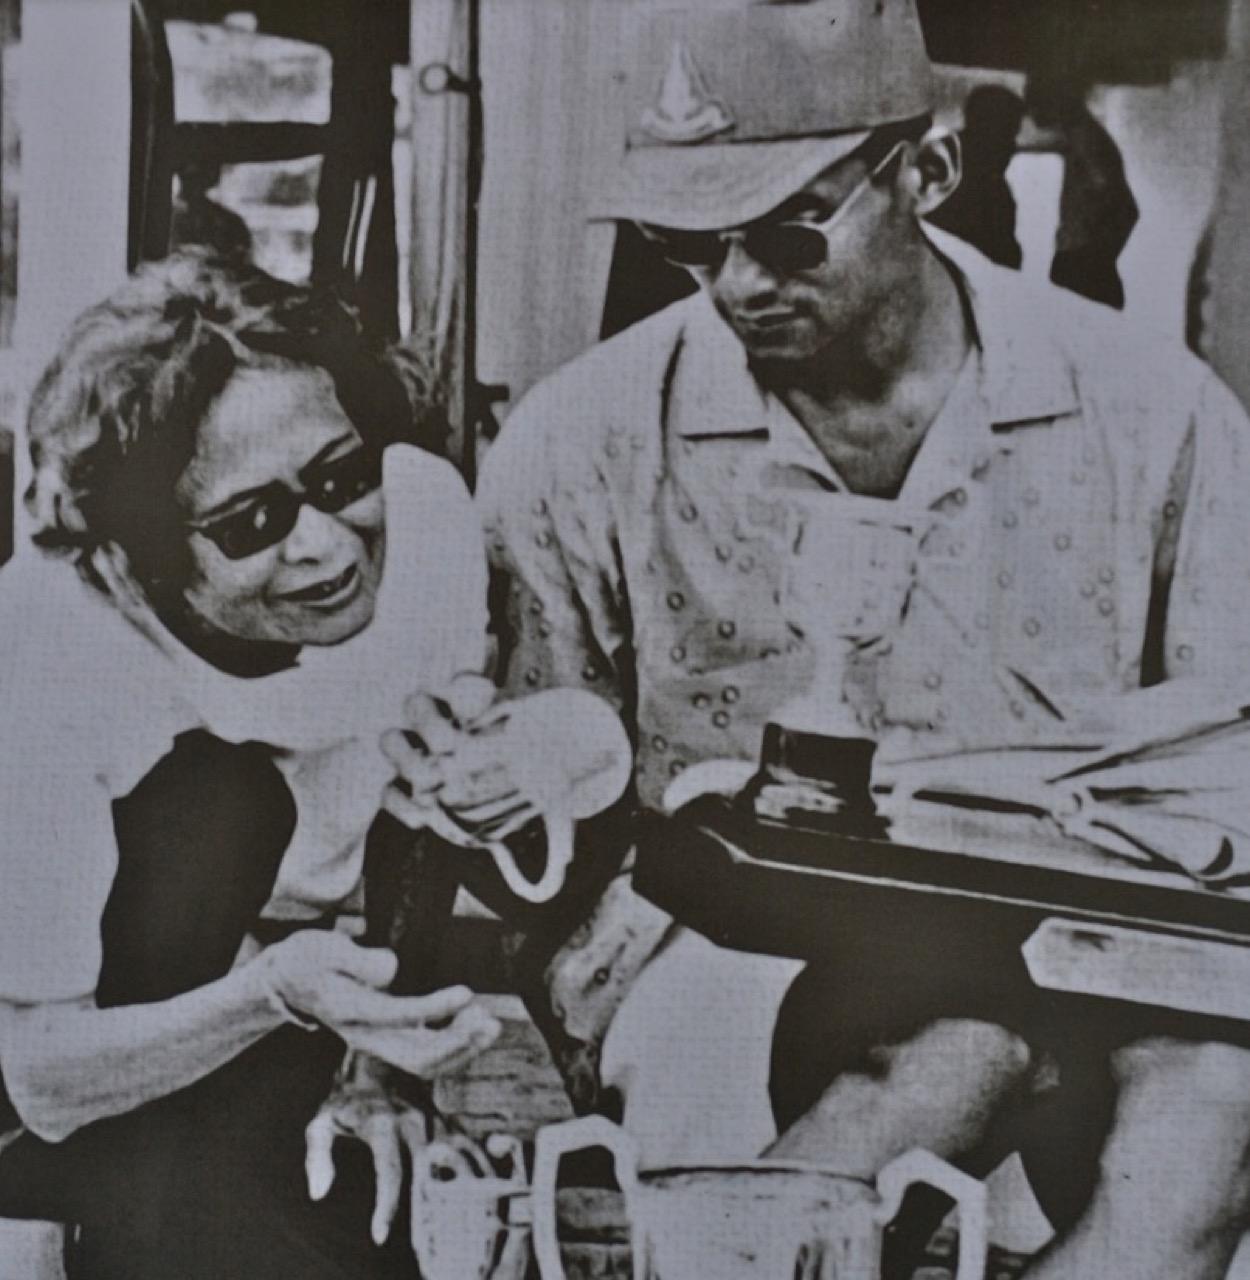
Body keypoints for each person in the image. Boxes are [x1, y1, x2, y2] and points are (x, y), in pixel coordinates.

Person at [477, 3, 1250, 1277]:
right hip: (728, 944)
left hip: (1090, 938)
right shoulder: (583, 439)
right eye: (689, 243)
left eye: (788, 231)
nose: (737, 284)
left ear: (926, 172)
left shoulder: (1151, 417)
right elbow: (532, 817)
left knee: (1208, 1109)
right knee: (940, 1052)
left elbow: (1227, 761)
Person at [0, 253, 609, 1279]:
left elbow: (414, 818)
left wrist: (379, 1073)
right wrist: (272, 993)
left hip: (289, 1012)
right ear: (142, 552)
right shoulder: (55, 649)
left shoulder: (422, 520)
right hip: (66, 1064)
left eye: (339, 477)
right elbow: (40, 1079)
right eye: (252, 523)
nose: (328, 546)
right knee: (216, 800)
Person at [927, 84, 1025, 268]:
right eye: (1007, 134)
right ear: (984, 129)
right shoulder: (944, 171)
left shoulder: (993, 185)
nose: (1013, 146)